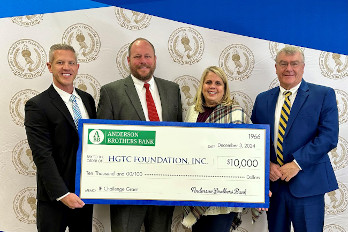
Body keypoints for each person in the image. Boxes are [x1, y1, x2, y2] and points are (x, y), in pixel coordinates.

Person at [97, 38, 182, 232]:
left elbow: (179, 137)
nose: (143, 61)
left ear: (155, 59)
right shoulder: (111, 92)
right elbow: (101, 143)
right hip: (126, 188)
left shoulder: (172, 90)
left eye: (147, 56)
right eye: (137, 57)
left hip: (163, 186)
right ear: (128, 60)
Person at [251, 46, 339, 232]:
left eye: (294, 64)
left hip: (309, 184)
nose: (288, 68)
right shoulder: (262, 99)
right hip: (274, 186)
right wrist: (267, 164)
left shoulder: (323, 95)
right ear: (276, 67)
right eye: (283, 64)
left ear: (303, 67)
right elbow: (255, 141)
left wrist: (296, 164)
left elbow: (328, 137)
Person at [24, 44, 96, 232]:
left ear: (77, 67)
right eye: (60, 62)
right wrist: (63, 194)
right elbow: (42, 155)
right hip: (54, 197)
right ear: (49, 66)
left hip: (84, 193)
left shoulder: (87, 100)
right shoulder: (37, 105)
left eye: (71, 63)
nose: (66, 67)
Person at [182, 66, 259, 232]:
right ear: (202, 85)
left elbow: (253, 151)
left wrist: (259, 186)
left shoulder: (236, 113)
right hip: (196, 192)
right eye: (208, 82)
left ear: (224, 89)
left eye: (218, 83)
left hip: (223, 194)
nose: (212, 86)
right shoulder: (192, 112)